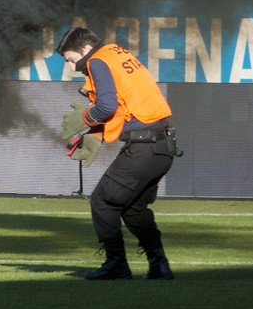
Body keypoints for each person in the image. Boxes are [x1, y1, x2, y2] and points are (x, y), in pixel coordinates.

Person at [56, 27, 181, 281]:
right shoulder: (116, 53)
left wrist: (83, 118)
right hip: (163, 149)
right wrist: (94, 135)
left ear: (85, 50)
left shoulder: (98, 60)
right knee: (134, 209)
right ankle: (160, 265)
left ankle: (116, 265)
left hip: (143, 148)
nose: (71, 67)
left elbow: (107, 106)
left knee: (103, 201)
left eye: (70, 59)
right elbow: (125, 108)